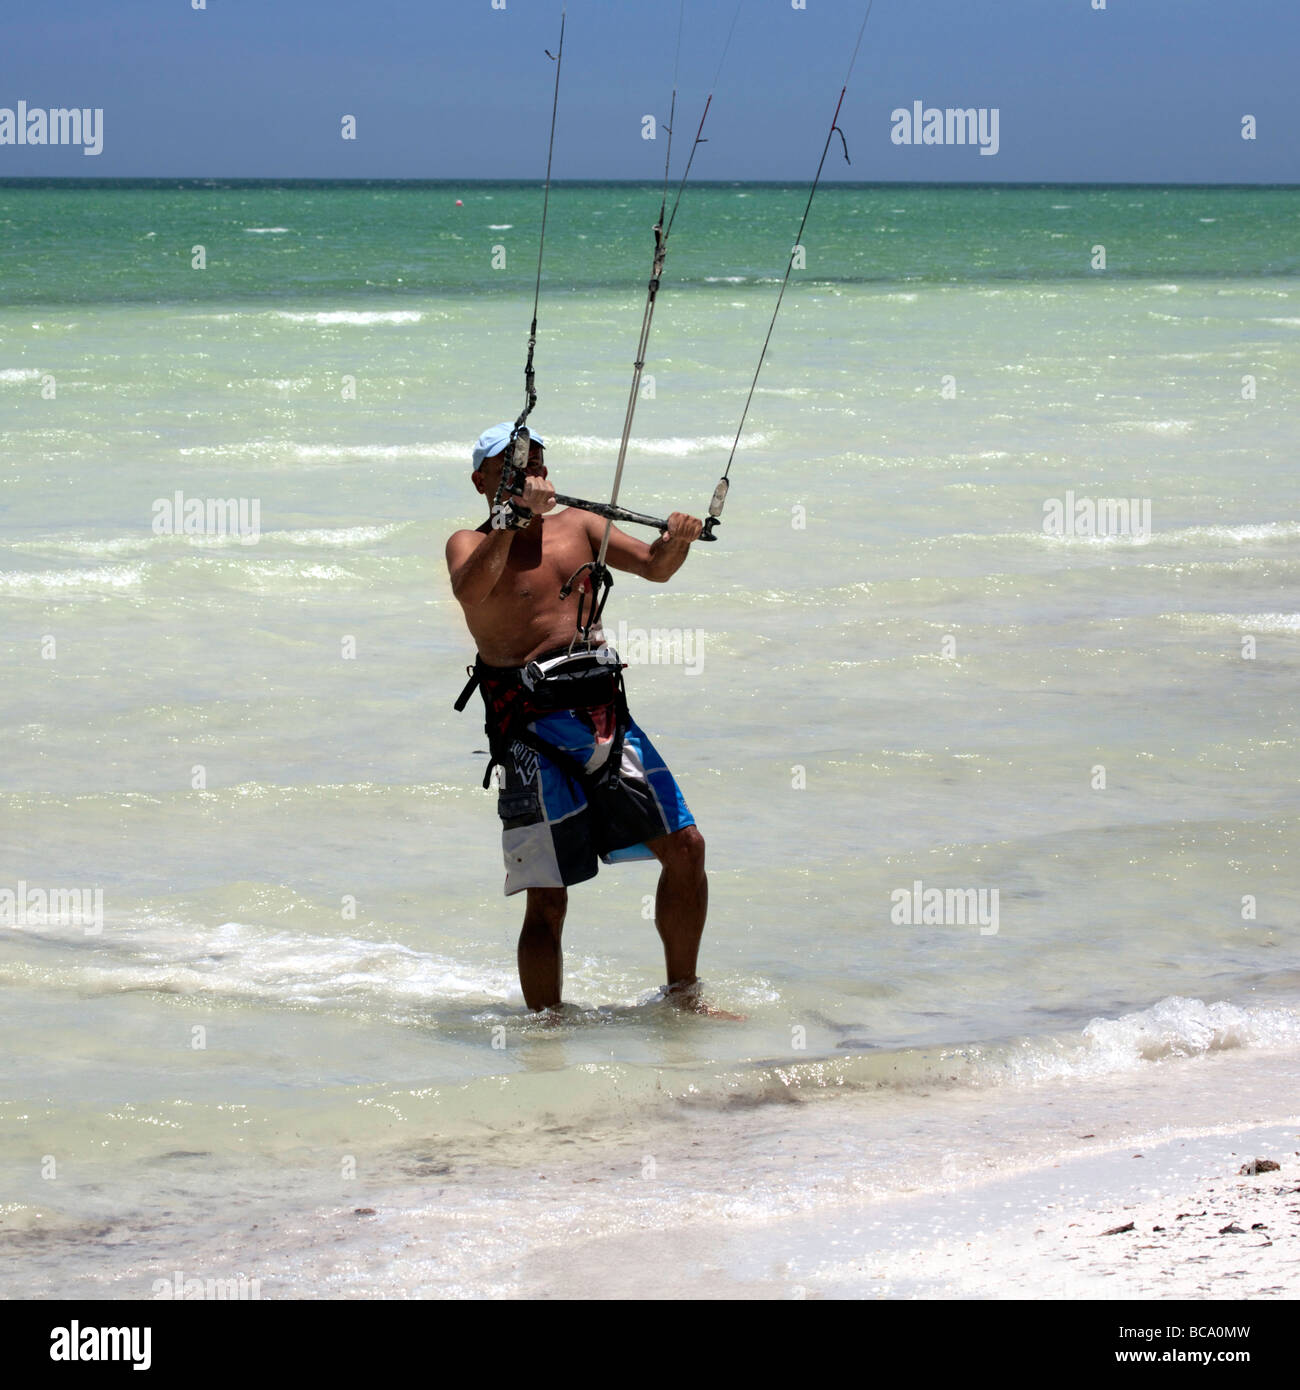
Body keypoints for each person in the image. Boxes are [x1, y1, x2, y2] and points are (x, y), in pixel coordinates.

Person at [446, 421, 710, 1012]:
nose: (528, 473)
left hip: (604, 718)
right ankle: (547, 1037)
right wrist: (513, 520)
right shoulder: (469, 541)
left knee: (687, 847)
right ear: (482, 479)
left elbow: (656, 566)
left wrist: (679, 539)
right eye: (512, 467)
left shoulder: (581, 525)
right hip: (529, 729)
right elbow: (472, 590)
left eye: (535, 462)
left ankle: (683, 997)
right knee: (549, 896)